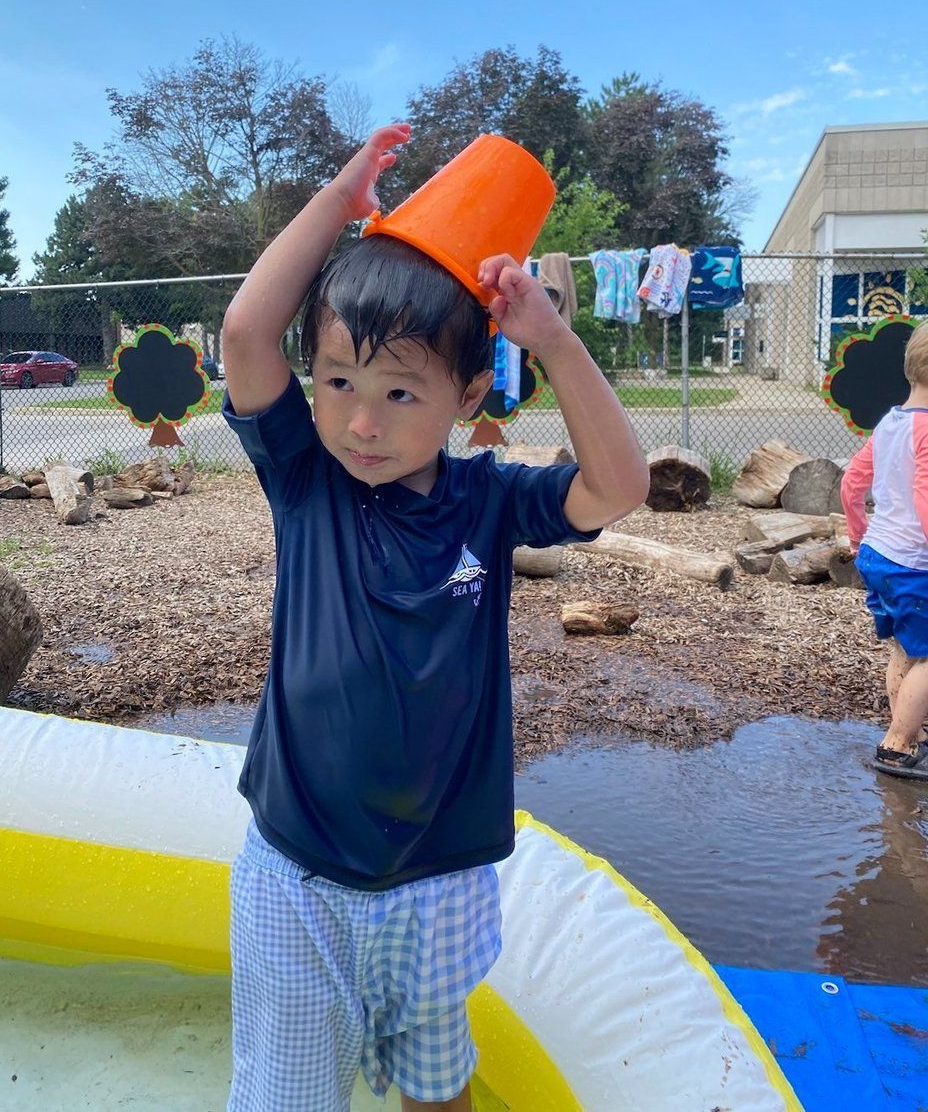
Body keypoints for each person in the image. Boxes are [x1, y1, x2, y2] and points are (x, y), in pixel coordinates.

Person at [220, 123, 650, 1111]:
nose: (360, 421)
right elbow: (247, 331)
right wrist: (339, 203)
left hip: (441, 873)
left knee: (436, 1077)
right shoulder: (304, 480)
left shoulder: (487, 500)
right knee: (287, 1094)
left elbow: (617, 485)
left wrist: (551, 338)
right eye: (338, 383)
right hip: (300, 872)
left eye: (399, 391)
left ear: (465, 394)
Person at [841, 319, 928, 780]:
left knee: (906, 647)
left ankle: (905, 733)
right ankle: (897, 748)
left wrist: (858, 537)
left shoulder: (890, 422)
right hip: (915, 563)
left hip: (878, 554)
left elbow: (851, 484)